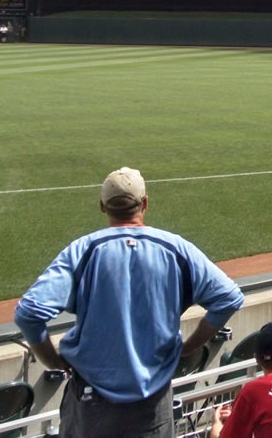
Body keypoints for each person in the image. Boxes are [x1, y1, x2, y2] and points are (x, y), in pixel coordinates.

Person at [14, 168, 245, 438]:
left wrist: (51, 359)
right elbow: (229, 298)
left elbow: (29, 313)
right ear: (145, 203)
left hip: (91, 405)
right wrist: (188, 346)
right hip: (152, 405)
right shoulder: (175, 248)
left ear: (102, 206)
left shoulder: (83, 250)